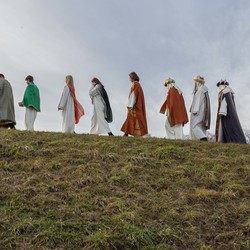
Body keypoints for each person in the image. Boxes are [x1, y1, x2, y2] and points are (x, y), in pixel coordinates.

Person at [121, 72, 148, 137]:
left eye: (129, 77)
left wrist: (131, 104)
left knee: (131, 118)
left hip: (134, 105)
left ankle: (127, 133)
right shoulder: (137, 84)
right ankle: (127, 133)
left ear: (132, 77)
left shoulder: (135, 84)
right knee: (132, 119)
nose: (129, 79)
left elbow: (134, 95)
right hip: (135, 104)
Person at [190, 76, 211, 141]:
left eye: (196, 81)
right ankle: (200, 138)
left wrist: (195, 110)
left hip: (198, 110)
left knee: (194, 125)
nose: (195, 83)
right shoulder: (204, 89)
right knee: (200, 126)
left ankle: (202, 138)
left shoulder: (200, 89)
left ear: (198, 82)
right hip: (203, 110)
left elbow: (198, 100)